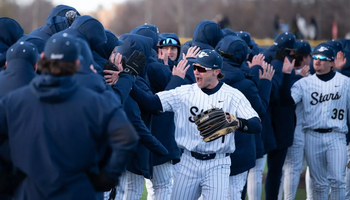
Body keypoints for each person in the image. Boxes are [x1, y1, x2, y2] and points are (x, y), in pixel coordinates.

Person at [0, 33, 140, 200]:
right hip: (79, 190)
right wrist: (105, 178)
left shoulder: (14, 101)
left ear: (43, 58)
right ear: (77, 63)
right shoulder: (95, 102)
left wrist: (9, 180)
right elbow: (127, 137)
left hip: (32, 191)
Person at [129, 49, 262, 200]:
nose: (196, 72)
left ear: (216, 71)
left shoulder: (233, 95)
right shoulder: (185, 92)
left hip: (218, 163)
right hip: (187, 162)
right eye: (195, 67)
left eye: (202, 69)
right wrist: (129, 83)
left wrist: (237, 122)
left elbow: (256, 124)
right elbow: (151, 103)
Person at [284, 43, 349, 200]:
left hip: (337, 136)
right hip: (312, 136)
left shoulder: (346, 83)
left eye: (322, 58)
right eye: (315, 57)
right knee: (319, 184)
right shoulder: (303, 83)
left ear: (331, 62)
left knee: (338, 181)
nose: (317, 61)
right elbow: (286, 102)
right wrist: (287, 76)